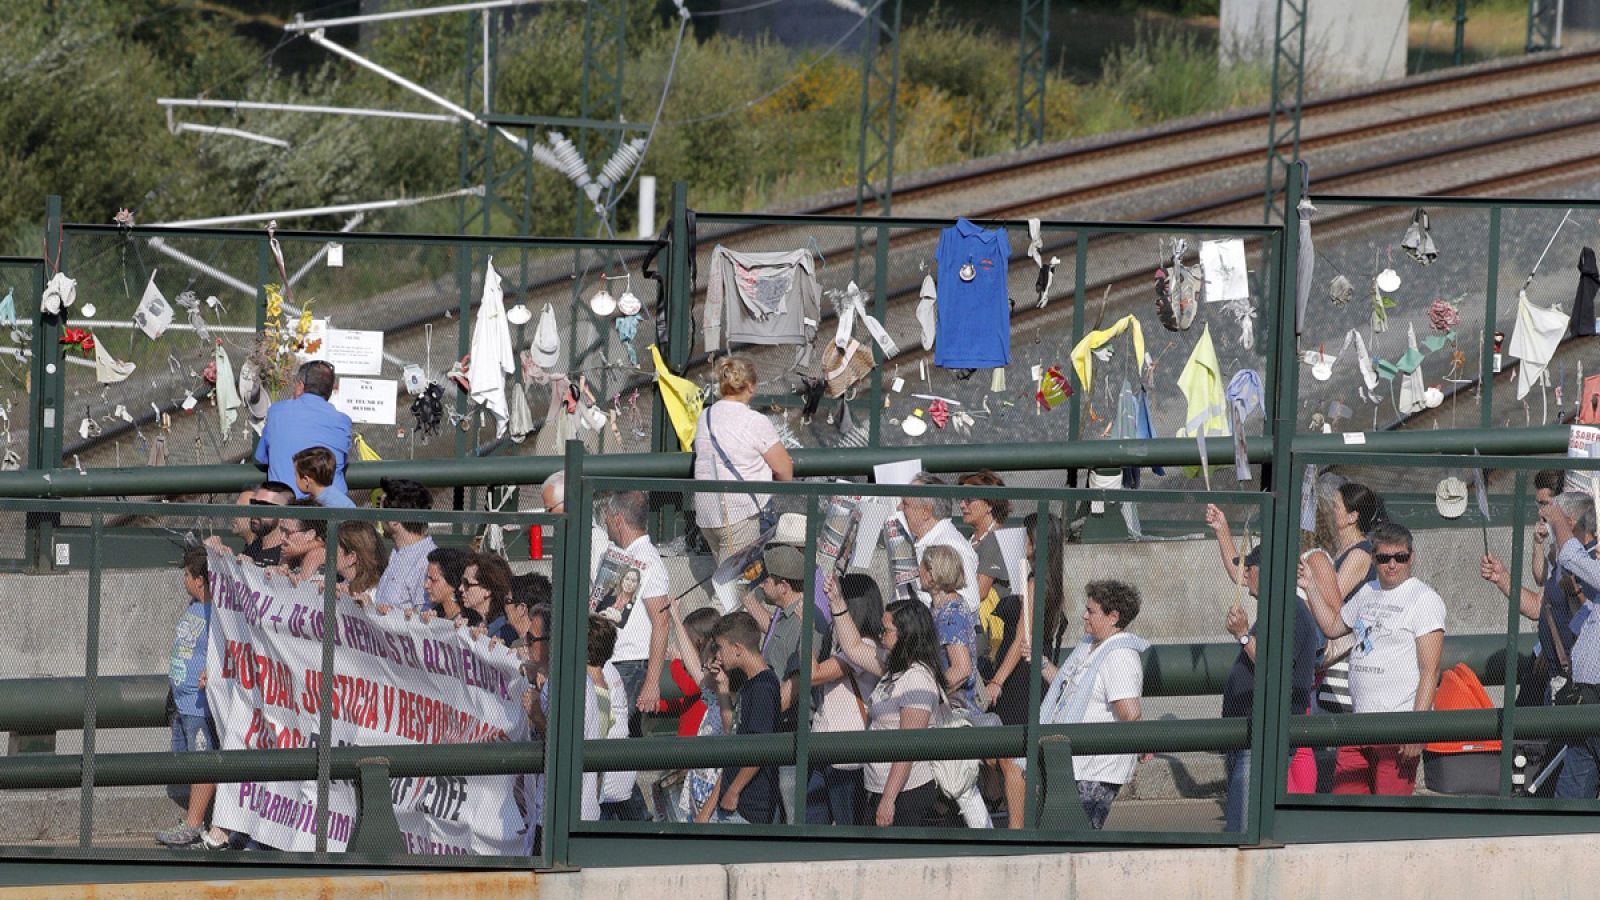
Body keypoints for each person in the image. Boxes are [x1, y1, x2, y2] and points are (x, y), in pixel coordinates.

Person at [1303, 522, 1444, 796]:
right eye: (1384, 558)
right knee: (1346, 806)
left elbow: (1431, 669)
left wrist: (1418, 728)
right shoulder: (1367, 592)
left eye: (1400, 558)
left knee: (1389, 814)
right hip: (1358, 723)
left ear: (1410, 557)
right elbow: (1333, 626)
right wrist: (1310, 586)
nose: (1392, 564)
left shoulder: (1424, 599)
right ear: (1374, 559)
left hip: (1398, 727)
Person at [1204, 505, 1322, 832]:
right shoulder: (1274, 609)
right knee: (1241, 824)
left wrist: (1243, 635)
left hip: (1265, 738)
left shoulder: (1292, 612)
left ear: (1265, 571)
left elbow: (1276, 668)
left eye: (1249, 568)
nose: (1245, 575)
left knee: (1245, 829)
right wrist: (1222, 530)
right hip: (1250, 733)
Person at [1034, 580, 1149, 830]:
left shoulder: (1119, 655)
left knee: (1076, 838)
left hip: (1097, 770)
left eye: (1091, 611)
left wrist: (1143, 743)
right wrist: (1040, 663)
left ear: (1113, 617)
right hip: (1073, 764)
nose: (1084, 615)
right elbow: (1069, 688)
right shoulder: (1089, 646)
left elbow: (1130, 713)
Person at [980, 511, 1064, 829]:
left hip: (1020, 678)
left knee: (1011, 756)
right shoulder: (1049, 578)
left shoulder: (1035, 580)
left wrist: (998, 681)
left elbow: (1022, 637)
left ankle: (1017, 828)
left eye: (1027, 537)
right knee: (1011, 754)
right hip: (1030, 673)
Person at [833, 596, 943, 827]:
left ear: (906, 633)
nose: (881, 635)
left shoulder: (917, 679)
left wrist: (888, 800)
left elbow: (908, 746)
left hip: (906, 796)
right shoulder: (895, 668)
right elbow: (853, 647)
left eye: (887, 630)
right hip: (878, 788)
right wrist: (837, 602)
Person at [1481, 489, 1597, 707]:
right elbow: (1538, 607)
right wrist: (1503, 579)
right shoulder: (1565, 563)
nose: (1546, 526)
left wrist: (1576, 593)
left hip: (1580, 687)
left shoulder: (1591, 564)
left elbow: (1591, 624)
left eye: (1552, 520)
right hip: (1558, 682)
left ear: (1569, 523)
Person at [155, 547, 229, 850]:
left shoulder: (217, 613)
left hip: (200, 705)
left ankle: (194, 823)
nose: (184, 579)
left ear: (200, 580)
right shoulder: (194, 606)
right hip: (183, 702)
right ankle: (193, 818)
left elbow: (226, 651)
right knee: (189, 760)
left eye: (187, 574)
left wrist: (213, 674)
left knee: (203, 762)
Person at [692, 355, 794, 561]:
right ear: (751, 386)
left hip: (706, 512)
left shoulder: (706, 416)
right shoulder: (754, 421)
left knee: (726, 579)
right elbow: (785, 471)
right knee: (735, 586)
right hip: (738, 515)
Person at [1532, 492, 1600, 797]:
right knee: (1572, 792)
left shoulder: (1580, 555)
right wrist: (1577, 596)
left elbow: (1571, 556)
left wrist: (1558, 520)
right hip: (1586, 694)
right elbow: (1586, 621)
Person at [807, 573, 884, 826]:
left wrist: (806, 630)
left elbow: (814, 674)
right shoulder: (845, 644)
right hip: (825, 747)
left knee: (848, 828)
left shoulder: (864, 646)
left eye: (837, 599)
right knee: (813, 827)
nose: (830, 604)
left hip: (847, 758)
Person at [596, 491, 672, 727]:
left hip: (630, 663)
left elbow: (662, 621)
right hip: (611, 659)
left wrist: (652, 682)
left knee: (614, 730)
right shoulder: (620, 555)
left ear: (617, 519)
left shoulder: (648, 559)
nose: (605, 523)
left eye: (607, 517)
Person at [708, 611, 783, 824]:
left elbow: (761, 747)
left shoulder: (763, 687)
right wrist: (722, 685)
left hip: (749, 806)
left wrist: (733, 790)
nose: (718, 655)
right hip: (737, 800)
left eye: (720, 647)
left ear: (738, 649)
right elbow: (732, 729)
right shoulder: (750, 684)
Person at [254, 360, 352, 499]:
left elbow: (262, 458)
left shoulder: (277, 411)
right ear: (330, 391)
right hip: (331, 508)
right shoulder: (343, 421)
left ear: (300, 386)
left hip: (286, 507)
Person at [586, 615, 647, 820]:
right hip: (613, 778)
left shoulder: (598, 679)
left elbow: (595, 735)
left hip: (606, 784)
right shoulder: (605, 670)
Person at [899, 473, 979, 611]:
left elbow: (970, 603)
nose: (899, 508)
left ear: (926, 511)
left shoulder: (950, 545)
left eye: (905, 504)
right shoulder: (918, 539)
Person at [958, 470, 1013, 659]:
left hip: (987, 636)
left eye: (969, 499)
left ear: (989, 504)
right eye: (961, 499)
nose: (962, 505)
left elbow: (980, 591)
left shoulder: (994, 539)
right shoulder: (973, 539)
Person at [374, 478, 436, 612]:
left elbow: (424, 619)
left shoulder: (426, 562)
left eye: (381, 509)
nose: (378, 517)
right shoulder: (398, 551)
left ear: (394, 520)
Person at [209, 481, 293, 567]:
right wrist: (223, 557)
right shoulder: (252, 549)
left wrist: (253, 568)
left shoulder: (288, 556)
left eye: (264, 506)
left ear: (284, 514)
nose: (256, 511)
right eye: (254, 503)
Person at [542, 470, 608, 579]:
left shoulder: (595, 539)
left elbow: (603, 590)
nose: (547, 515)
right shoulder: (569, 536)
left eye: (549, 509)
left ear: (568, 504)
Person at [274, 503, 327, 583]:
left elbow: (300, 591)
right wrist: (282, 566)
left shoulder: (317, 554)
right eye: (282, 530)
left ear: (310, 534)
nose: (282, 538)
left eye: (288, 532)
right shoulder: (294, 554)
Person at [1530, 468, 1565, 588]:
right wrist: (1538, 543)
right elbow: (1540, 578)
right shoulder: (1553, 538)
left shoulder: (1579, 534)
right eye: (1538, 504)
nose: (1540, 511)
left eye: (1544, 504)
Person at [334, 522, 386, 597]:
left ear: (351, 557)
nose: (326, 552)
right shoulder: (342, 585)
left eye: (333, 548)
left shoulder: (375, 595)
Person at [460, 552, 510, 631]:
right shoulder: (474, 623)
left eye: (466, 583)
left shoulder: (503, 631)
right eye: (462, 581)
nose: (461, 588)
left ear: (487, 590)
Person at [423, 547, 470, 619]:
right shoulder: (433, 614)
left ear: (453, 582)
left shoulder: (468, 624)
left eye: (433, 580)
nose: (426, 585)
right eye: (427, 578)